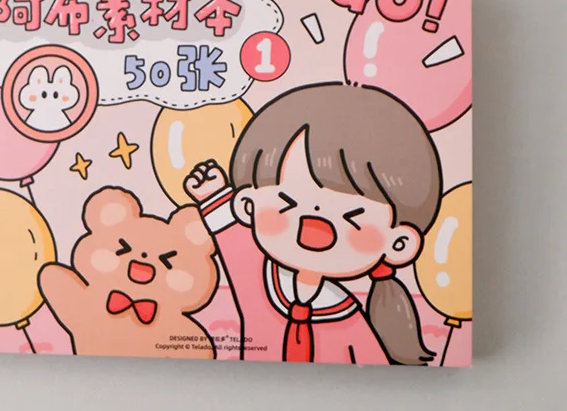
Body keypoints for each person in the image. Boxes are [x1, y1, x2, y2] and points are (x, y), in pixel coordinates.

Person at [184, 82, 442, 365]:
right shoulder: (258, 280)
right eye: (286, 203)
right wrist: (213, 195)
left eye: (352, 217)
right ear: (247, 205)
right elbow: (232, 238)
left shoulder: (351, 323)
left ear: (399, 243)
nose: (313, 224)